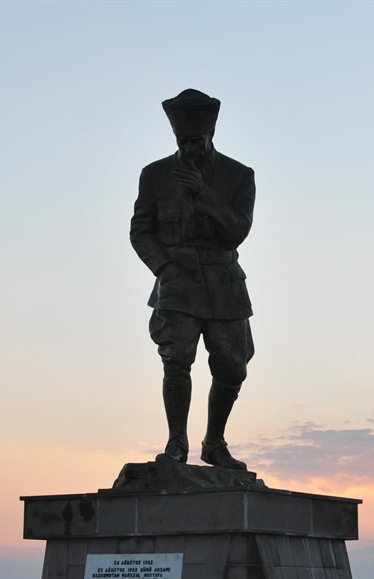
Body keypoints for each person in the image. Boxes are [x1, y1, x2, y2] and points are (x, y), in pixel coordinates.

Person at [130, 89, 256, 470]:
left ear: (211, 135)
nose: (189, 149)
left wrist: (203, 194)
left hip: (225, 285)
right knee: (176, 361)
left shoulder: (238, 176)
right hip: (177, 283)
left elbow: (237, 231)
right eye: (182, 142)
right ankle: (177, 442)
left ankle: (214, 442)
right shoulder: (154, 175)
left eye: (196, 142)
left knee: (233, 367)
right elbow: (141, 229)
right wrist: (165, 268)